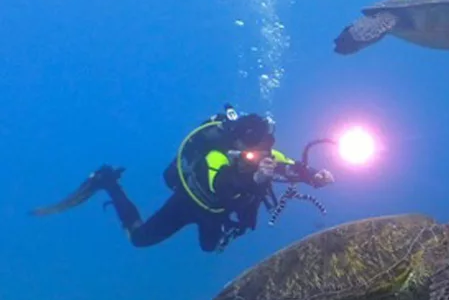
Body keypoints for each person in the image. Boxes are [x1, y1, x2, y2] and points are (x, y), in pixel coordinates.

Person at [32, 105, 335, 252]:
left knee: (209, 248)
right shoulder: (217, 155)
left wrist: (313, 176)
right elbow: (222, 186)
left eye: (263, 149)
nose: (259, 155)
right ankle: (108, 182)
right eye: (251, 150)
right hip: (190, 203)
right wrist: (253, 178)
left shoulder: (266, 153)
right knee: (140, 239)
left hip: (215, 214)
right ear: (238, 143)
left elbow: (289, 165)